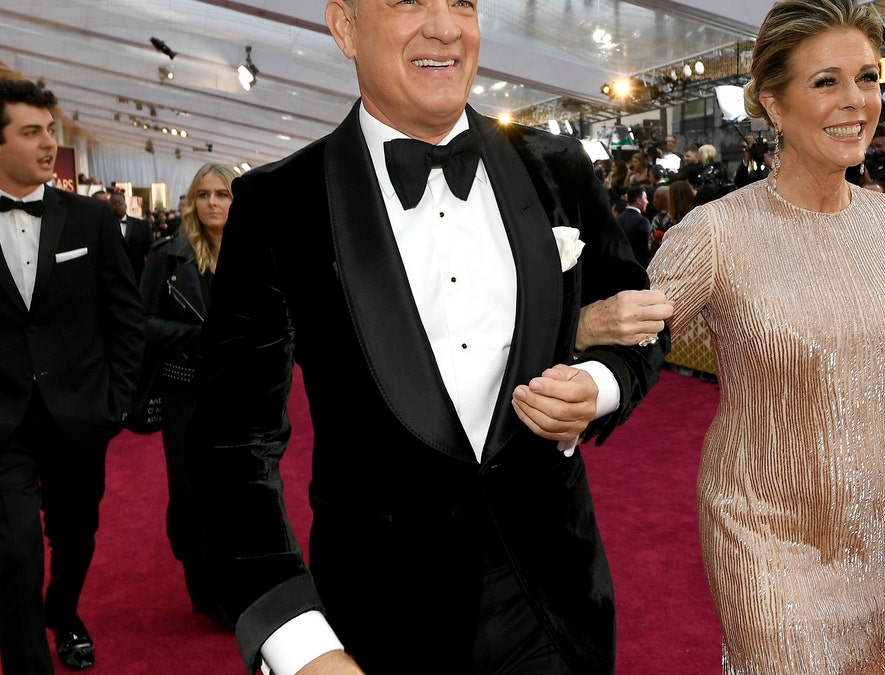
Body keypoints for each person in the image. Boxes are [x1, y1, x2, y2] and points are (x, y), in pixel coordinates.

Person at [183, 1, 667, 674]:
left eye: (462, 3)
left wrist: (599, 384)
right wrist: (298, 640)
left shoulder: (555, 164)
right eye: (410, 0)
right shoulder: (279, 204)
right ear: (345, 26)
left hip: (555, 601)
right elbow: (230, 443)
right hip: (377, 622)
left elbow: (639, 320)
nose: (445, 27)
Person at [647, 2, 885, 671]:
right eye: (826, 82)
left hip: (878, 528)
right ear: (773, 106)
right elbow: (629, 343)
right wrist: (583, 353)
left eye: (866, 78)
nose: (855, 102)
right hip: (762, 527)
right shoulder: (716, 231)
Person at [0, 79, 144, 673]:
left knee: (76, 535)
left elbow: (125, 317)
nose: (48, 145)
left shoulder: (88, 218)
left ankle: (63, 613)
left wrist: (116, 398)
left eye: (51, 132)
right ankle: (28, 656)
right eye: (31, 132)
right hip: (5, 420)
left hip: (81, 412)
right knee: (14, 549)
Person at [139, 163, 237, 626]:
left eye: (222, 194)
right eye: (204, 195)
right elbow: (143, 322)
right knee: (190, 495)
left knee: (237, 491)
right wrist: (199, 337)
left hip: (241, 393)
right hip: (185, 391)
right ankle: (201, 582)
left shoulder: (255, 253)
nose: (213, 203)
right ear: (192, 202)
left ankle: (235, 582)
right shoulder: (169, 255)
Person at [109, 190, 153, 282]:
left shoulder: (142, 225)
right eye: (114, 203)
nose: (117, 205)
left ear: (126, 205)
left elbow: (150, 250)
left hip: (137, 275)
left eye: (120, 203)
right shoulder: (105, 226)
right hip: (113, 276)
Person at [617, 183, 654, 267]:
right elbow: (647, 248)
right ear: (638, 201)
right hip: (639, 266)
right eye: (645, 198)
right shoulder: (642, 221)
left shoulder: (618, 219)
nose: (647, 202)